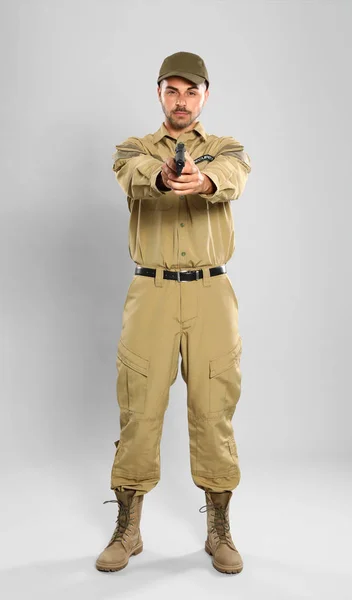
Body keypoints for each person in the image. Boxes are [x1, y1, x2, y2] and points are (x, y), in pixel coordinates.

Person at [95, 51, 251, 575]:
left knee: (214, 411)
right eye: (171, 91)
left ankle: (219, 529)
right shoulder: (133, 148)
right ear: (159, 94)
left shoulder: (226, 147)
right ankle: (128, 527)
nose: (181, 101)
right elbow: (132, 173)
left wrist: (204, 183)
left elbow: (233, 173)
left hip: (211, 292)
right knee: (139, 410)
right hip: (152, 293)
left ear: (206, 95)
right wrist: (163, 177)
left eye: (191, 91)